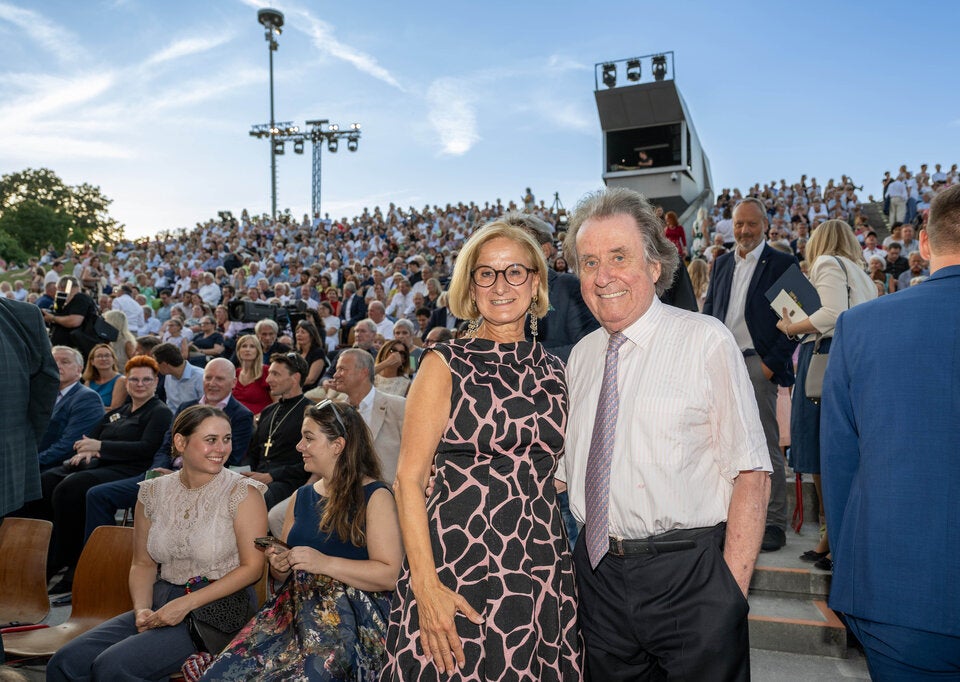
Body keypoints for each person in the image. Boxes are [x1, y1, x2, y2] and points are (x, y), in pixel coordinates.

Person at [558, 187, 770, 680]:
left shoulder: (705, 340)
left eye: (619, 257)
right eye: (589, 262)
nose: (603, 276)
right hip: (598, 579)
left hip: (691, 577)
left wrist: (728, 597)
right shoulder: (581, 357)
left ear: (654, 265)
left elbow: (752, 474)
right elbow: (565, 473)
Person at [381, 220, 582, 680]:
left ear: (536, 282)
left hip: (541, 564)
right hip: (456, 561)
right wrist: (426, 587)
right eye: (486, 274)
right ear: (471, 288)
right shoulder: (444, 363)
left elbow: (557, 467)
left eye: (515, 271)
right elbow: (408, 480)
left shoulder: (556, 370)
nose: (501, 285)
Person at [820, 184, 960, 679]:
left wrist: (853, 572)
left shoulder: (861, 327)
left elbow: (839, 465)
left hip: (895, 590)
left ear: (923, 242)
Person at [46, 405, 268, 681]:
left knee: (113, 667)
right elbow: (142, 563)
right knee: (65, 662)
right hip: (162, 599)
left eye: (227, 439)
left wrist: (186, 604)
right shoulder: (153, 492)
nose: (221, 449)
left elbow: (252, 568)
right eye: (211, 440)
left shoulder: (243, 493)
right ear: (180, 442)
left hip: (220, 608)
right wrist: (141, 609)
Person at [200, 401, 403, 681]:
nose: (299, 446)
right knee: (220, 674)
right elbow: (283, 574)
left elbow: (390, 575)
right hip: (293, 615)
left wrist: (324, 563)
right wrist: (280, 564)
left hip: (353, 621)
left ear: (337, 445)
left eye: (308, 438)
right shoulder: (302, 496)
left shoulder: (375, 496)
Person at [774, 220, 876, 570]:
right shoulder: (861, 273)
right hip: (853, 359)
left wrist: (791, 327)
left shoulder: (826, 263)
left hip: (825, 360)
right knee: (841, 452)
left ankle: (836, 540)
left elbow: (832, 315)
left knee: (822, 451)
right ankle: (832, 537)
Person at [27, 355, 173, 594]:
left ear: (156, 382)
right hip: (103, 465)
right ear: (126, 382)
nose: (140, 384)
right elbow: (91, 437)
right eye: (134, 379)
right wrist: (88, 450)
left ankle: (71, 560)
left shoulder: (159, 412)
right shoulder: (120, 412)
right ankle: (45, 554)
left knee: (71, 488)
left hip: (131, 469)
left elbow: (147, 448)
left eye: (146, 380)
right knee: (46, 481)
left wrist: (101, 447)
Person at [703, 197, 798, 552]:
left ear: (765, 226)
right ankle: (725, 517)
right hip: (721, 363)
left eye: (751, 224)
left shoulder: (782, 263)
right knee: (718, 441)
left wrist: (770, 364)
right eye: (739, 224)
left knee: (765, 442)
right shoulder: (721, 262)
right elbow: (710, 311)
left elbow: (797, 320)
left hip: (758, 365)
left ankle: (773, 522)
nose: (744, 230)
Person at [83, 358, 255, 540]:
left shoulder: (241, 415)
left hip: (199, 483)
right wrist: (157, 471)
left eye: (219, 379)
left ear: (233, 382)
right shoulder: (186, 407)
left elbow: (229, 460)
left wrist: (179, 476)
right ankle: (100, 556)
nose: (212, 383)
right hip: (162, 474)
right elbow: (166, 446)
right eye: (208, 377)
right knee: (98, 495)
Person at [0, 297, 58, 663]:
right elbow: (46, 383)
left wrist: (19, 444)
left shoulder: (22, 316)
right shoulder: (20, 315)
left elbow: (46, 382)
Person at [243, 352, 311, 508]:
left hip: (288, 482)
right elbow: (254, 452)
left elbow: (314, 461)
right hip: (258, 477)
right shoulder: (268, 411)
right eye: (269, 373)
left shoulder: (310, 413)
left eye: (275, 374)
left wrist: (272, 475)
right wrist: (243, 472)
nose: (268, 380)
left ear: (295, 378)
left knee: (252, 500)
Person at [37, 346, 104, 471]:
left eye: (65, 362)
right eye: (53, 362)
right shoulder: (44, 395)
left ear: (79, 369)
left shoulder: (87, 398)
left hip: (55, 466)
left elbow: (69, 444)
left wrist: (31, 462)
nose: (57, 366)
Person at [42, 276, 98, 353]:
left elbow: (74, 321)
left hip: (74, 349)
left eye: (58, 289)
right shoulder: (68, 301)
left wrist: (53, 318)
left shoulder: (80, 298)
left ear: (62, 287)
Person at [154, 342, 205, 412]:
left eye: (156, 363)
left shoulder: (201, 377)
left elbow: (206, 407)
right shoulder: (168, 377)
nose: (156, 367)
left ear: (164, 365)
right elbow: (170, 405)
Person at [232, 334, 272, 414]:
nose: (248, 349)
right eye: (244, 346)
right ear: (238, 351)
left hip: (261, 418)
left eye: (252, 346)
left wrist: (258, 417)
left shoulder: (266, 371)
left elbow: (277, 402)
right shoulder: (235, 373)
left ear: (257, 351)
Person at [83, 343, 129, 411]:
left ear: (114, 360)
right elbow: (82, 406)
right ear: (92, 362)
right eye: (99, 356)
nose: (103, 359)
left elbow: (114, 410)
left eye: (107, 355)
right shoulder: (88, 382)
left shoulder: (121, 380)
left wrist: (90, 408)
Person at [294, 319, 328, 392]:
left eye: (303, 332)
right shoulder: (296, 354)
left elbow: (311, 379)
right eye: (297, 332)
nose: (299, 334)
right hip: (296, 389)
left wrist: (290, 384)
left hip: (312, 390)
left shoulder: (318, 352)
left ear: (311, 336)